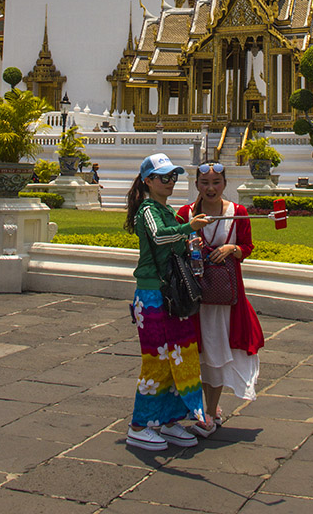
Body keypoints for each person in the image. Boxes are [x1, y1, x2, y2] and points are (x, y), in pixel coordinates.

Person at [124, 152, 213, 451]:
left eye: (173, 176)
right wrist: (188, 228)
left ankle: (170, 420)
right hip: (152, 295)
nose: (170, 182)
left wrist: (190, 241)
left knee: (180, 355)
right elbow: (160, 238)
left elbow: (172, 242)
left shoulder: (167, 210)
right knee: (158, 360)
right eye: (164, 177)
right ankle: (140, 425)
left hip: (172, 295)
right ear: (148, 181)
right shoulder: (148, 210)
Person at [177, 161, 264, 434]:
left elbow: (247, 247)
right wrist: (189, 242)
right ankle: (207, 408)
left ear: (225, 184)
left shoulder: (237, 213)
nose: (210, 188)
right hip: (193, 297)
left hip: (224, 299)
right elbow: (175, 246)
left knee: (214, 354)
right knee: (199, 356)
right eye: (204, 183)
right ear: (196, 186)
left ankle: (210, 415)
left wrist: (230, 248)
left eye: (216, 183)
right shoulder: (185, 214)